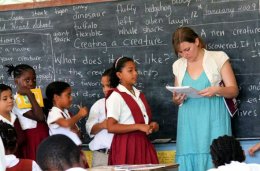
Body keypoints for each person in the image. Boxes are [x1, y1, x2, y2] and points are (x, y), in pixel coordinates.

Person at [172, 27, 239, 171]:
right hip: (188, 123)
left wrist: (217, 90)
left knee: (217, 157)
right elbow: (176, 98)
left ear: (196, 41)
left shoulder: (218, 58)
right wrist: (177, 99)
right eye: (180, 52)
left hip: (214, 119)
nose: (185, 54)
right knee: (188, 158)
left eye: (187, 49)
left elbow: (233, 90)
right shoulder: (178, 65)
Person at [106, 56, 159, 165]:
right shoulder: (116, 96)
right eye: (130, 70)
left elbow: (144, 121)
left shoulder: (139, 94)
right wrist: (138, 126)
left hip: (143, 143)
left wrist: (151, 126)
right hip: (126, 145)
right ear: (119, 75)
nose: (135, 73)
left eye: (136, 70)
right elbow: (111, 127)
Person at [5, 64, 49, 160]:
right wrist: (30, 94)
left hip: (43, 135)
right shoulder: (17, 101)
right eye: (27, 80)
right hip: (32, 138)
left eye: (34, 80)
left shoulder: (34, 97)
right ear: (16, 81)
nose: (31, 83)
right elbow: (40, 117)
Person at [85, 68, 114, 167]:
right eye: (103, 86)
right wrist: (102, 125)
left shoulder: (127, 105)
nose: (105, 89)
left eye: (108, 86)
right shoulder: (99, 105)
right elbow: (90, 130)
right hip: (102, 155)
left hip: (122, 154)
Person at [45, 81, 88, 146]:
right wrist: (80, 114)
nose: (71, 98)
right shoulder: (54, 112)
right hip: (62, 152)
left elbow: (75, 132)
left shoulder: (66, 112)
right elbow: (66, 123)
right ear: (56, 97)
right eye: (68, 95)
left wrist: (78, 133)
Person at [0, 84, 26, 158]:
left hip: (19, 160)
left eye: (11, 97)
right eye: (5, 99)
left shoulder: (15, 118)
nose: (10, 100)